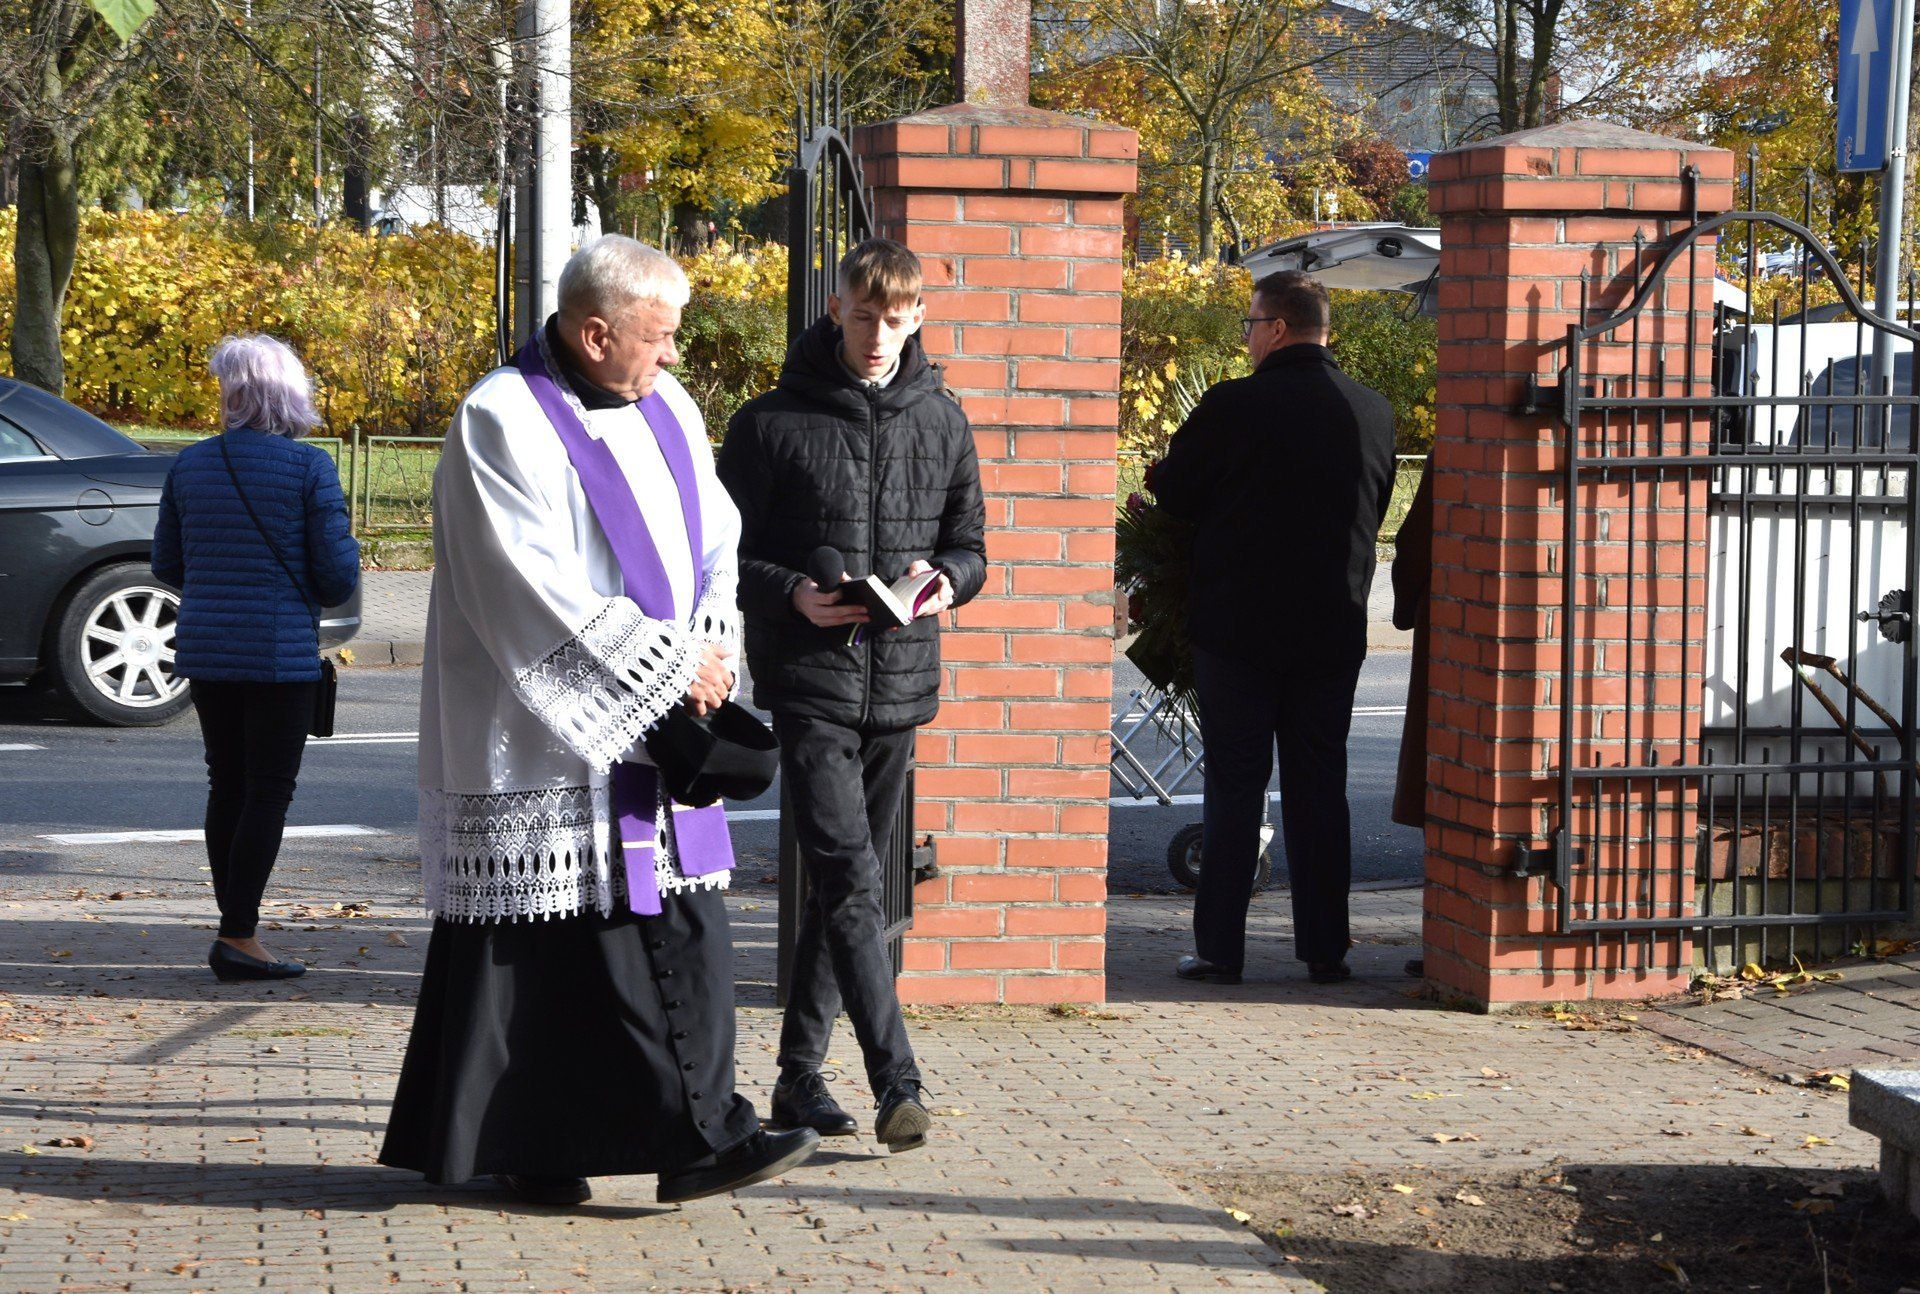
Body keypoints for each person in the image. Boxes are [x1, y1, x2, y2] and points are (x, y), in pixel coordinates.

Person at [379, 236, 818, 1208]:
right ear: (594, 333)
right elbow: (522, 581)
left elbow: (716, 538)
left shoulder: (670, 406)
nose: (673, 354)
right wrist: (664, 668)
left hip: (657, 720)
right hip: (545, 734)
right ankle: (629, 1143)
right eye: (658, 336)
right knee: (564, 950)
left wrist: (707, 649)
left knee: (666, 928)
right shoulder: (500, 418)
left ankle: (644, 1137)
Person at [716, 238, 986, 1153]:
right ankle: (896, 1083)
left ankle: (798, 1077)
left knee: (846, 888)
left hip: (900, 686)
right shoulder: (768, 424)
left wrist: (945, 582)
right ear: (835, 308)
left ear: (918, 319)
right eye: (864, 316)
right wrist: (791, 591)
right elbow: (720, 558)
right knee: (853, 880)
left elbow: (972, 548)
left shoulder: (943, 420)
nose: (877, 336)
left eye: (895, 320)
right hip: (809, 685)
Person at [1151, 270, 1396, 986]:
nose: (1248, 338)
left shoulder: (1235, 404)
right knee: (1321, 785)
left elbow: (1176, 494)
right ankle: (1326, 949)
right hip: (1332, 627)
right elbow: (1376, 506)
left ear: (1278, 328)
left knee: (1236, 785)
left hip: (1239, 629)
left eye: (1251, 324)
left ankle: (1220, 949)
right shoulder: (1373, 410)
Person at [151, 334, 360, 984]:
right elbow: (336, 578)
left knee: (228, 785)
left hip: (208, 652)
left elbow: (167, 563)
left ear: (233, 393)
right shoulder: (309, 469)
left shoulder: (189, 464)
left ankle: (235, 929)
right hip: (277, 657)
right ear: (289, 394)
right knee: (268, 792)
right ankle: (237, 936)